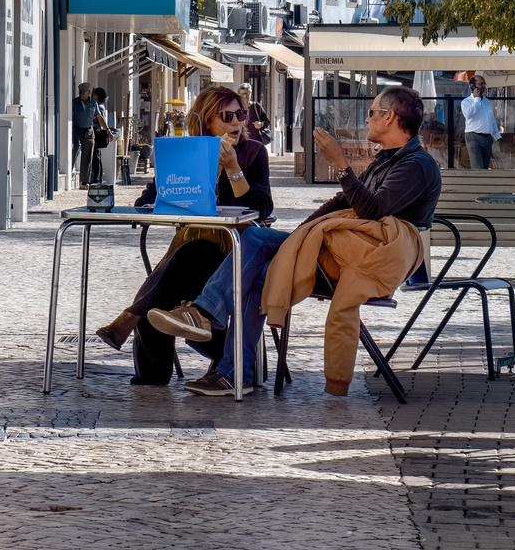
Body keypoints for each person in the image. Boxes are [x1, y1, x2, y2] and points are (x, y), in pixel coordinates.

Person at [148, 86, 440, 397]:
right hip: (339, 250)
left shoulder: (416, 165)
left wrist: (340, 164)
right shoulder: (388, 159)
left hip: (368, 260)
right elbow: (342, 202)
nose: (367, 120)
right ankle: (233, 372)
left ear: (390, 117)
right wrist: (299, 235)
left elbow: (372, 210)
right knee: (261, 268)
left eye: (371, 113)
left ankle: (205, 316)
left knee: (255, 239)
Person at [93, 86, 271, 387]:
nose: (237, 123)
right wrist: (189, 181)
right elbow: (148, 199)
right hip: (189, 255)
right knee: (160, 302)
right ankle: (151, 374)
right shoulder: (187, 153)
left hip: (234, 255)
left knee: (191, 253)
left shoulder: (253, 153)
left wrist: (232, 169)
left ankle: (128, 318)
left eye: (241, 114)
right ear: (205, 122)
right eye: (228, 116)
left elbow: (260, 207)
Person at [461, 75, 498, 169]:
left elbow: (491, 119)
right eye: (480, 84)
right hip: (473, 136)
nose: (483, 86)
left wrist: (497, 136)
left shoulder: (487, 102)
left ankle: (484, 183)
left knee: (485, 167)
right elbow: (468, 115)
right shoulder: (466, 102)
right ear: (472, 85)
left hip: (487, 137)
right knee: (478, 167)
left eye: (484, 84)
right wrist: (476, 99)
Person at [72, 82, 98, 187]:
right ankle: (70, 170)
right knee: (75, 149)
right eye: (80, 92)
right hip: (76, 129)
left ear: (88, 93)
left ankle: (84, 181)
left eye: (84, 92)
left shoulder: (93, 103)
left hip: (89, 130)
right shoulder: (75, 102)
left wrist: (108, 131)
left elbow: (99, 117)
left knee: (88, 155)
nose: (82, 94)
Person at [91, 87, 113, 184]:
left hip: (95, 131)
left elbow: (99, 119)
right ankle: (97, 177)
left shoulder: (98, 106)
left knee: (95, 155)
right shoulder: (102, 106)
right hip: (98, 131)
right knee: (96, 155)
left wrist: (108, 131)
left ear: (96, 96)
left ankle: (96, 177)